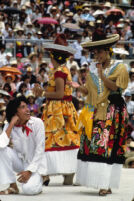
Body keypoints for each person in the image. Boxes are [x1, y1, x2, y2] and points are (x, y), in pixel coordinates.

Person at [73, 30, 129, 196]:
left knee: (109, 146)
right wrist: (77, 87)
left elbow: (116, 88)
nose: (96, 55)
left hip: (113, 110)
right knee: (96, 145)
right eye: (94, 52)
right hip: (97, 110)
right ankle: (101, 182)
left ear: (107, 51)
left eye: (99, 52)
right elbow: (91, 92)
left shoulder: (120, 67)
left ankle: (106, 184)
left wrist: (101, 75)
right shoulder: (92, 69)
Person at [41, 33, 80, 185]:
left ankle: (52, 173)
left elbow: (59, 93)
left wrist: (43, 93)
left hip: (58, 109)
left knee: (53, 139)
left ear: (54, 57)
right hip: (66, 108)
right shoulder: (65, 69)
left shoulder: (58, 72)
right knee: (69, 138)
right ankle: (69, 173)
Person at [0, 96, 45, 195]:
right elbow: (2, 144)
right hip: (20, 163)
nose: (28, 110)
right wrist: (11, 124)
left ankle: (39, 179)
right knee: (1, 150)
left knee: (29, 190)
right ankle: (13, 186)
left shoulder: (37, 123)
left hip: (34, 165)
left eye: (27, 106)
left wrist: (29, 171)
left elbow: (40, 150)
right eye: (23, 107)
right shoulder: (9, 125)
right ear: (15, 112)